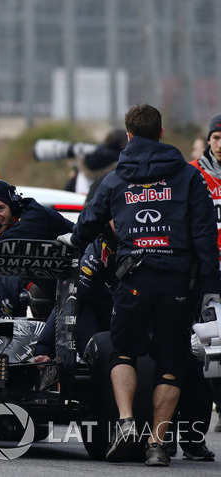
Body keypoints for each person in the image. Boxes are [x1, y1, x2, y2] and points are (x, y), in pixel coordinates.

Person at [59, 103, 221, 466]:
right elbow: (205, 236)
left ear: (129, 136)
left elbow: (86, 227)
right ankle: (157, 444)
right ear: (162, 133)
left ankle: (127, 421)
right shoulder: (188, 176)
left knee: (123, 351)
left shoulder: (115, 178)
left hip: (133, 280)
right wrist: (211, 287)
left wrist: (70, 240)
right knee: (170, 361)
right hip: (179, 281)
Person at [0, 179, 74, 318]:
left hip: (77, 288)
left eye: (0, 208)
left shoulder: (34, 216)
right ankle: (6, 333)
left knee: (9, 277)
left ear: (13, 206)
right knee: (4, 277)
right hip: (53, 285)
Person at [188, 113, 221, 435]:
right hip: (204, 274)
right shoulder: (193, 175)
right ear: (208, 141)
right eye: (216, 138)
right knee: (204, 348)